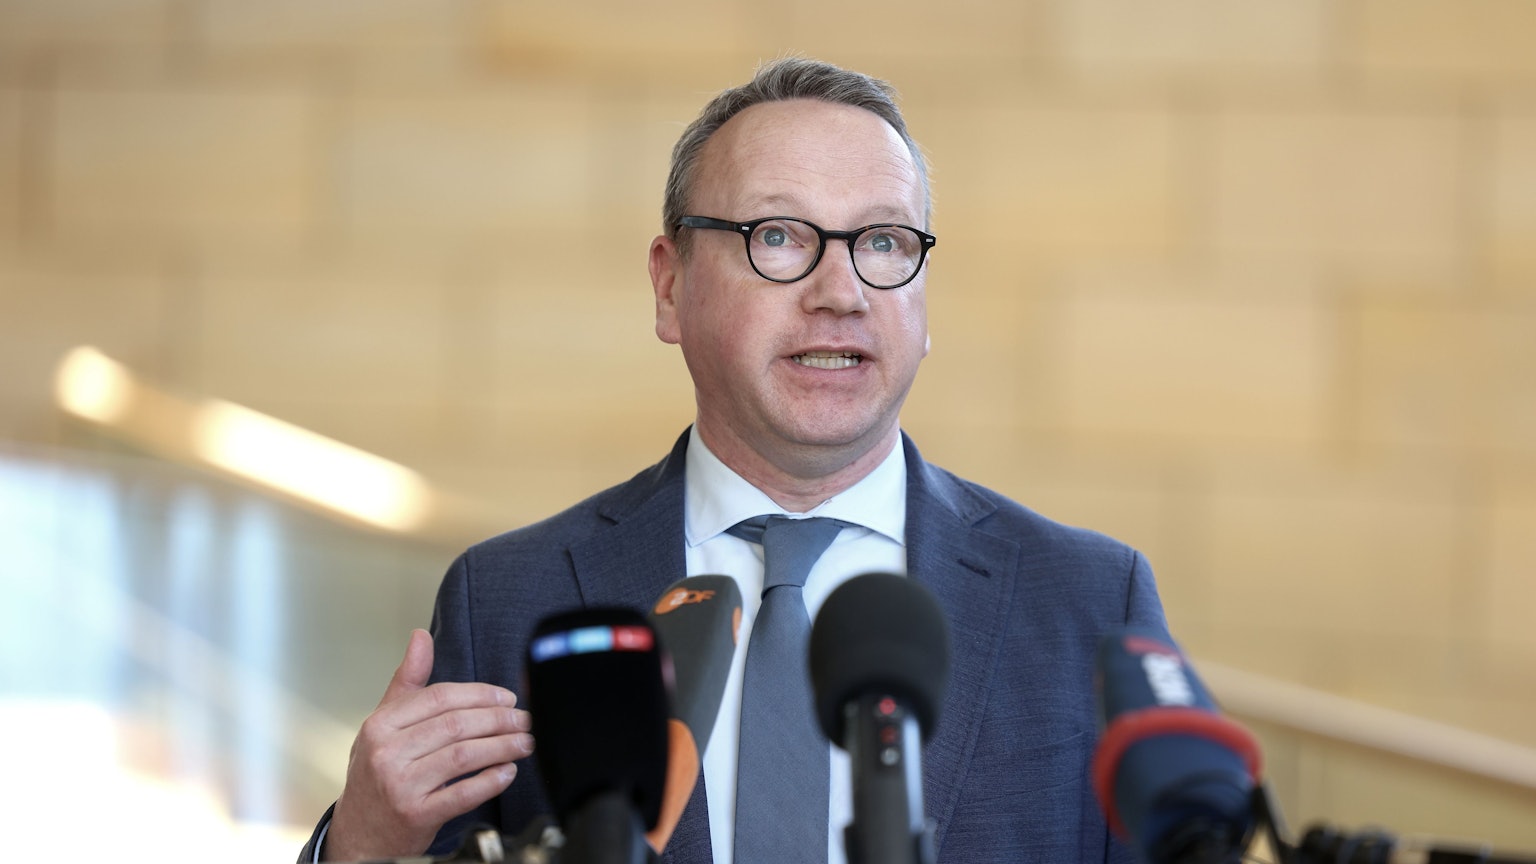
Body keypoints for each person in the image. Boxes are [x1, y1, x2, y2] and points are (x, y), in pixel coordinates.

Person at [300, 57, 1168, 864]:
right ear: (670, 285)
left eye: (883, 242)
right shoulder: (510, 599)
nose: (842, 293)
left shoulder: (1090, 599)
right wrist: (362, 843)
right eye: (779, 236)